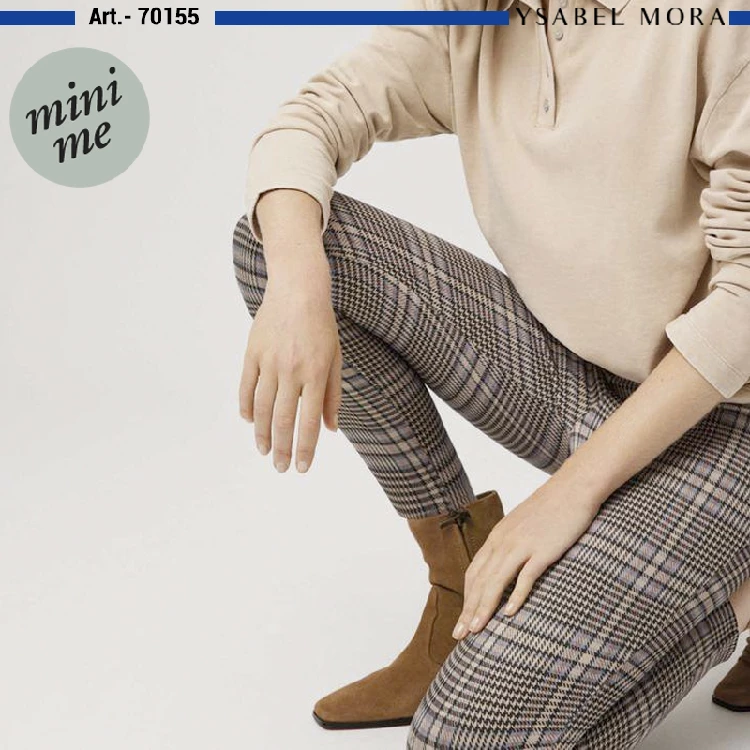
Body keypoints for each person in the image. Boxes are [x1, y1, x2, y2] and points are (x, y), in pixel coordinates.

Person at [231, 0, 750, 746]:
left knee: (460, 737)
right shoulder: (474, 16)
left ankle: (737, 600)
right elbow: (311, 119)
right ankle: (460, 589)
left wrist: (571, 493)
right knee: (285, 241)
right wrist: (298, 288)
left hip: (727, 418)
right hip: (585, 382)